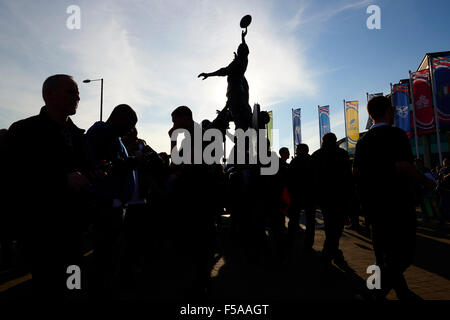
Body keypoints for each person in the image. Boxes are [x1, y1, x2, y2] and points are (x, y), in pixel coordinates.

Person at [6, 74, 92, 298]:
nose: (77, 98)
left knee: (74, 281)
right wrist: (61, 180)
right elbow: (15, 176)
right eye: (71, 92)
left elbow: (85, 171)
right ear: (49, 95)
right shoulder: (24, 131)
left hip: (74, 227)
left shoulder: (77, 135)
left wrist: (95, 174)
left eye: (78, 94)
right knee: (47, 285)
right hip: (40, 230)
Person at [354, 95, 434, 300]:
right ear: (389, 112)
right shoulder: (396, 135)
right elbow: (403, 165)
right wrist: (426, 181)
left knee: (382, 256)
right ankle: (369, 293)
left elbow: (358, 175)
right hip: (397, 205)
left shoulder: (362, 142)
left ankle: (400, 292)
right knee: (404, 255)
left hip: (373, 207)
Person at [85, 104, 139, 296]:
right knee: (105, 253)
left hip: (113, 203)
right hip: (106, 203)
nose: (130, 130)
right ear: (119, 119)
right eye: (129, 124)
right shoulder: (103, 132)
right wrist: (135, 162)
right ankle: (99, 291)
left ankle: (103, 287)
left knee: (109, 252)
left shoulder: (113, 136)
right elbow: (107, 164)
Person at [198, 29, 252, 130]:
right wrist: (243, 38)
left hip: (234, 93)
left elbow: (222, 71)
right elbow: (245, 50)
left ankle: (241, 133)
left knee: (238, 118)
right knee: (239, 114)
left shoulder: (236, 64)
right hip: (238, 92)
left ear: (239, 52)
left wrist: (208, 74)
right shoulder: (244, 60)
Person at [312, 133, 352, 264]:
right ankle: (330, 251)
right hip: (340, 195)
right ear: (335, 140)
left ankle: (330, 251)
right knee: (337, 225)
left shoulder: (316, 155)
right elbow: (348, 177)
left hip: (324, 196)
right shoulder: (342, 153)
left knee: (330, 224)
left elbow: (313, 178)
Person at [288, 143, 317, 254]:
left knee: (294, 219)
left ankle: (291, 240)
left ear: (299, 150)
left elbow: (290, 179)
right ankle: (308, 244)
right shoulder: (312, 161)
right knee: (310, 222)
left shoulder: (294, 162)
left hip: (296, 195)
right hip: (310, 195)